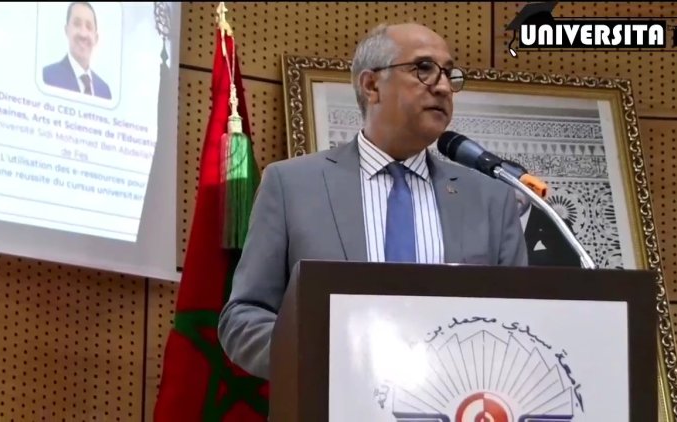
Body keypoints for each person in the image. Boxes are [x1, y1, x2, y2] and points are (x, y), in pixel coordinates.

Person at [218, 23, 528, 380]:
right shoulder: (292, 186)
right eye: (424, 68)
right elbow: (243, 317)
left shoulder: (491, 199)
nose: (443, 86)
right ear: (371, 86)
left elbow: (521, 323)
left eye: (448, 73)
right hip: (332, 398)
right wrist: (323, 357)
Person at [42, 2, 111, 100]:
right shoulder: (46, 77)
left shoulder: (104, 91)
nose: (83, 33)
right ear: (66, 30)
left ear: (96, 38)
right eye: (77, 24)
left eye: (89, 27)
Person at [515, 189, 581, 267]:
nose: (511, 195)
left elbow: (572, 270)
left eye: (516, 186)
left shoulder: (559, 227)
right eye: (505, 187)